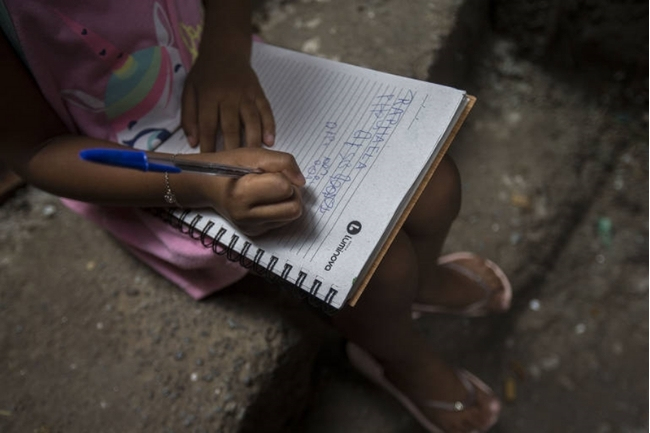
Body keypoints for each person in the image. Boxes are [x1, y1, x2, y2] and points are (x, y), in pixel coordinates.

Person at [0, 1, 512, 431]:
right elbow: (40, 152)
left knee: (439, 184)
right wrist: (197, 181)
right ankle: (401, 358)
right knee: (379, 270)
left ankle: (422, 283)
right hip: (146, 169)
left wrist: (225, 49)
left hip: (233, 77)